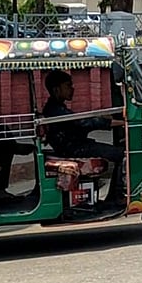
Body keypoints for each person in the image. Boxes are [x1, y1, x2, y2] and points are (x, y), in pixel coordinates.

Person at [41, 69, 126, 205]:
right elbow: (83, 123)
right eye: (68, 86)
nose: (72, 89)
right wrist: (120, 123)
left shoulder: (56, 107)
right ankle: (120, 194)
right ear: (56, 89)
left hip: (76, 146)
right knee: (122, 154)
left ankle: (114, 195)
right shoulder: (55, 110)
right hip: (74, 149)